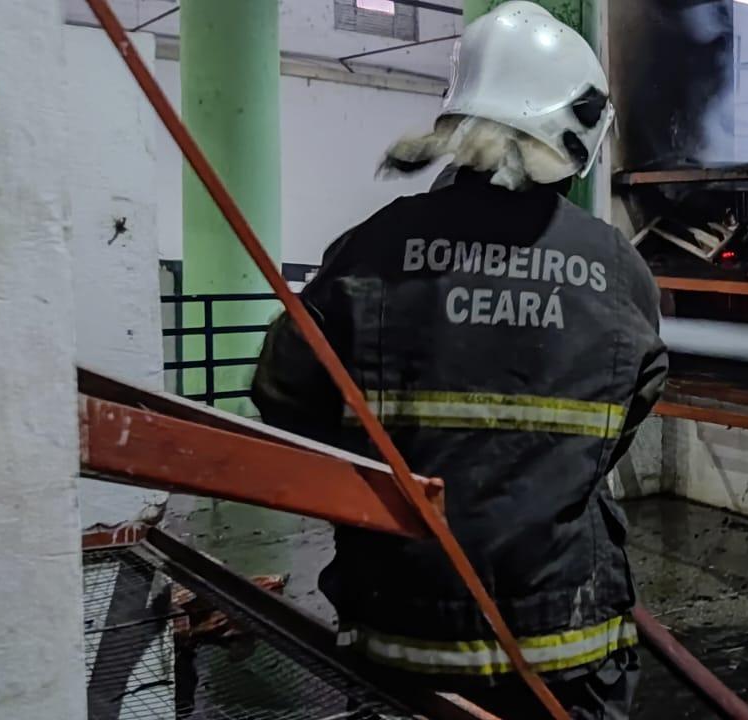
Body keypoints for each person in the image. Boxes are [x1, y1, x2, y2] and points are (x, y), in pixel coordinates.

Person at [251, 3, 666, 717]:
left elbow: (283, 396)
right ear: (578, 130)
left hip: (402, 638)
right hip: (564, 639)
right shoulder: (618, 269)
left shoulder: (371, 252)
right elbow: (627, 415)